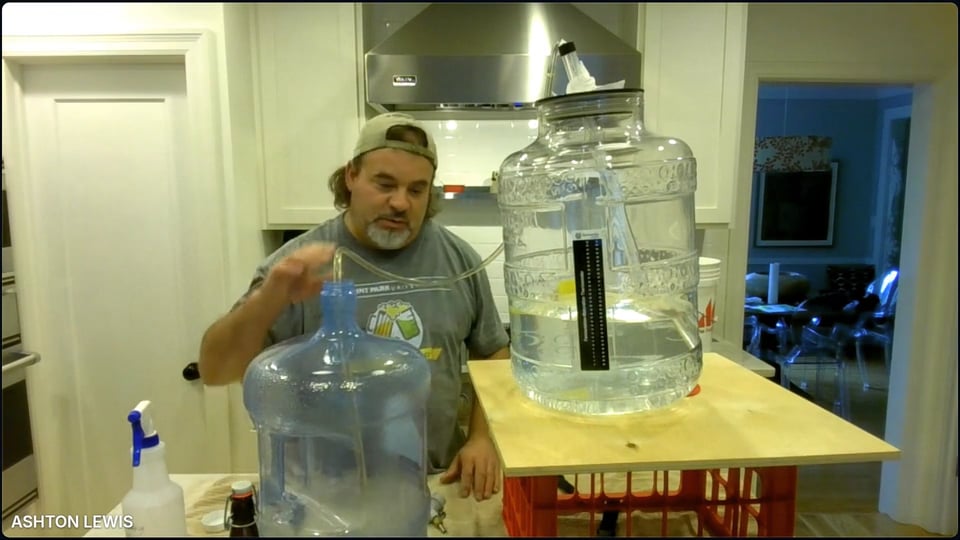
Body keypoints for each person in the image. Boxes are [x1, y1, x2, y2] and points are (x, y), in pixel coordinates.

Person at [198, 112, 510, 502]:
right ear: (351, 176)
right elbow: (215, 370)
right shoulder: (300, 265)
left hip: (437, 483)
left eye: (417, 190)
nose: (400, 202)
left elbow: (494, 353)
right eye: (384, 184)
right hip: (327, 492)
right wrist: (267, 300)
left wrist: (482, 436)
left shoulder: (458, 260)